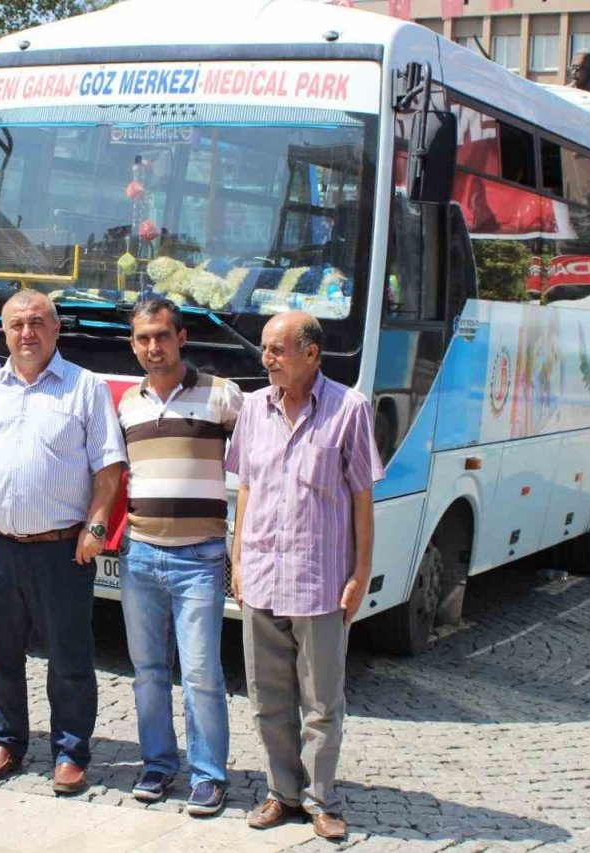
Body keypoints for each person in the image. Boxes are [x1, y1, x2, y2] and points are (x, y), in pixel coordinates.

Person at [0, 289, 126, 794]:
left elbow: (108, 468)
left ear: (57, 328)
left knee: (69, 655)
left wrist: (97, 524)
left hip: (61, 549)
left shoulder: (84, 388)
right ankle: (5, 743)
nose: (28, 332)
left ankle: (70, 752)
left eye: (38, 322)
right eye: (18, 323)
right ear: (4, 331)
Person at [228, 310, 383, 840]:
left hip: (319, 582)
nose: (265, 359)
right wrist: (238, 561)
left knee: (321, 703)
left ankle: (322, 800)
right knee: (267, 699)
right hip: (262, 577)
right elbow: (246, 486)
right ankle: (281, 793)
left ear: (310, 353)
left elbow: (362, 496)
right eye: (264, 350)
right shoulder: (252, 408)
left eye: (276, 350)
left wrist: (360, 572)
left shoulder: (349, 409)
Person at [116, 297, 243, 816]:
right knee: (146, 671)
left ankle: (210, 775)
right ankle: (158, 765)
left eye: (162, 336)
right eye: (143, 339)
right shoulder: (127, 404)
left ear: (181, 338)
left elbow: (256, 462)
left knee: (200, 673)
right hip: (141, 554)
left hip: (200, 558)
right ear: (134, 344)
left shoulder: (222, 397)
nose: (153, 347)